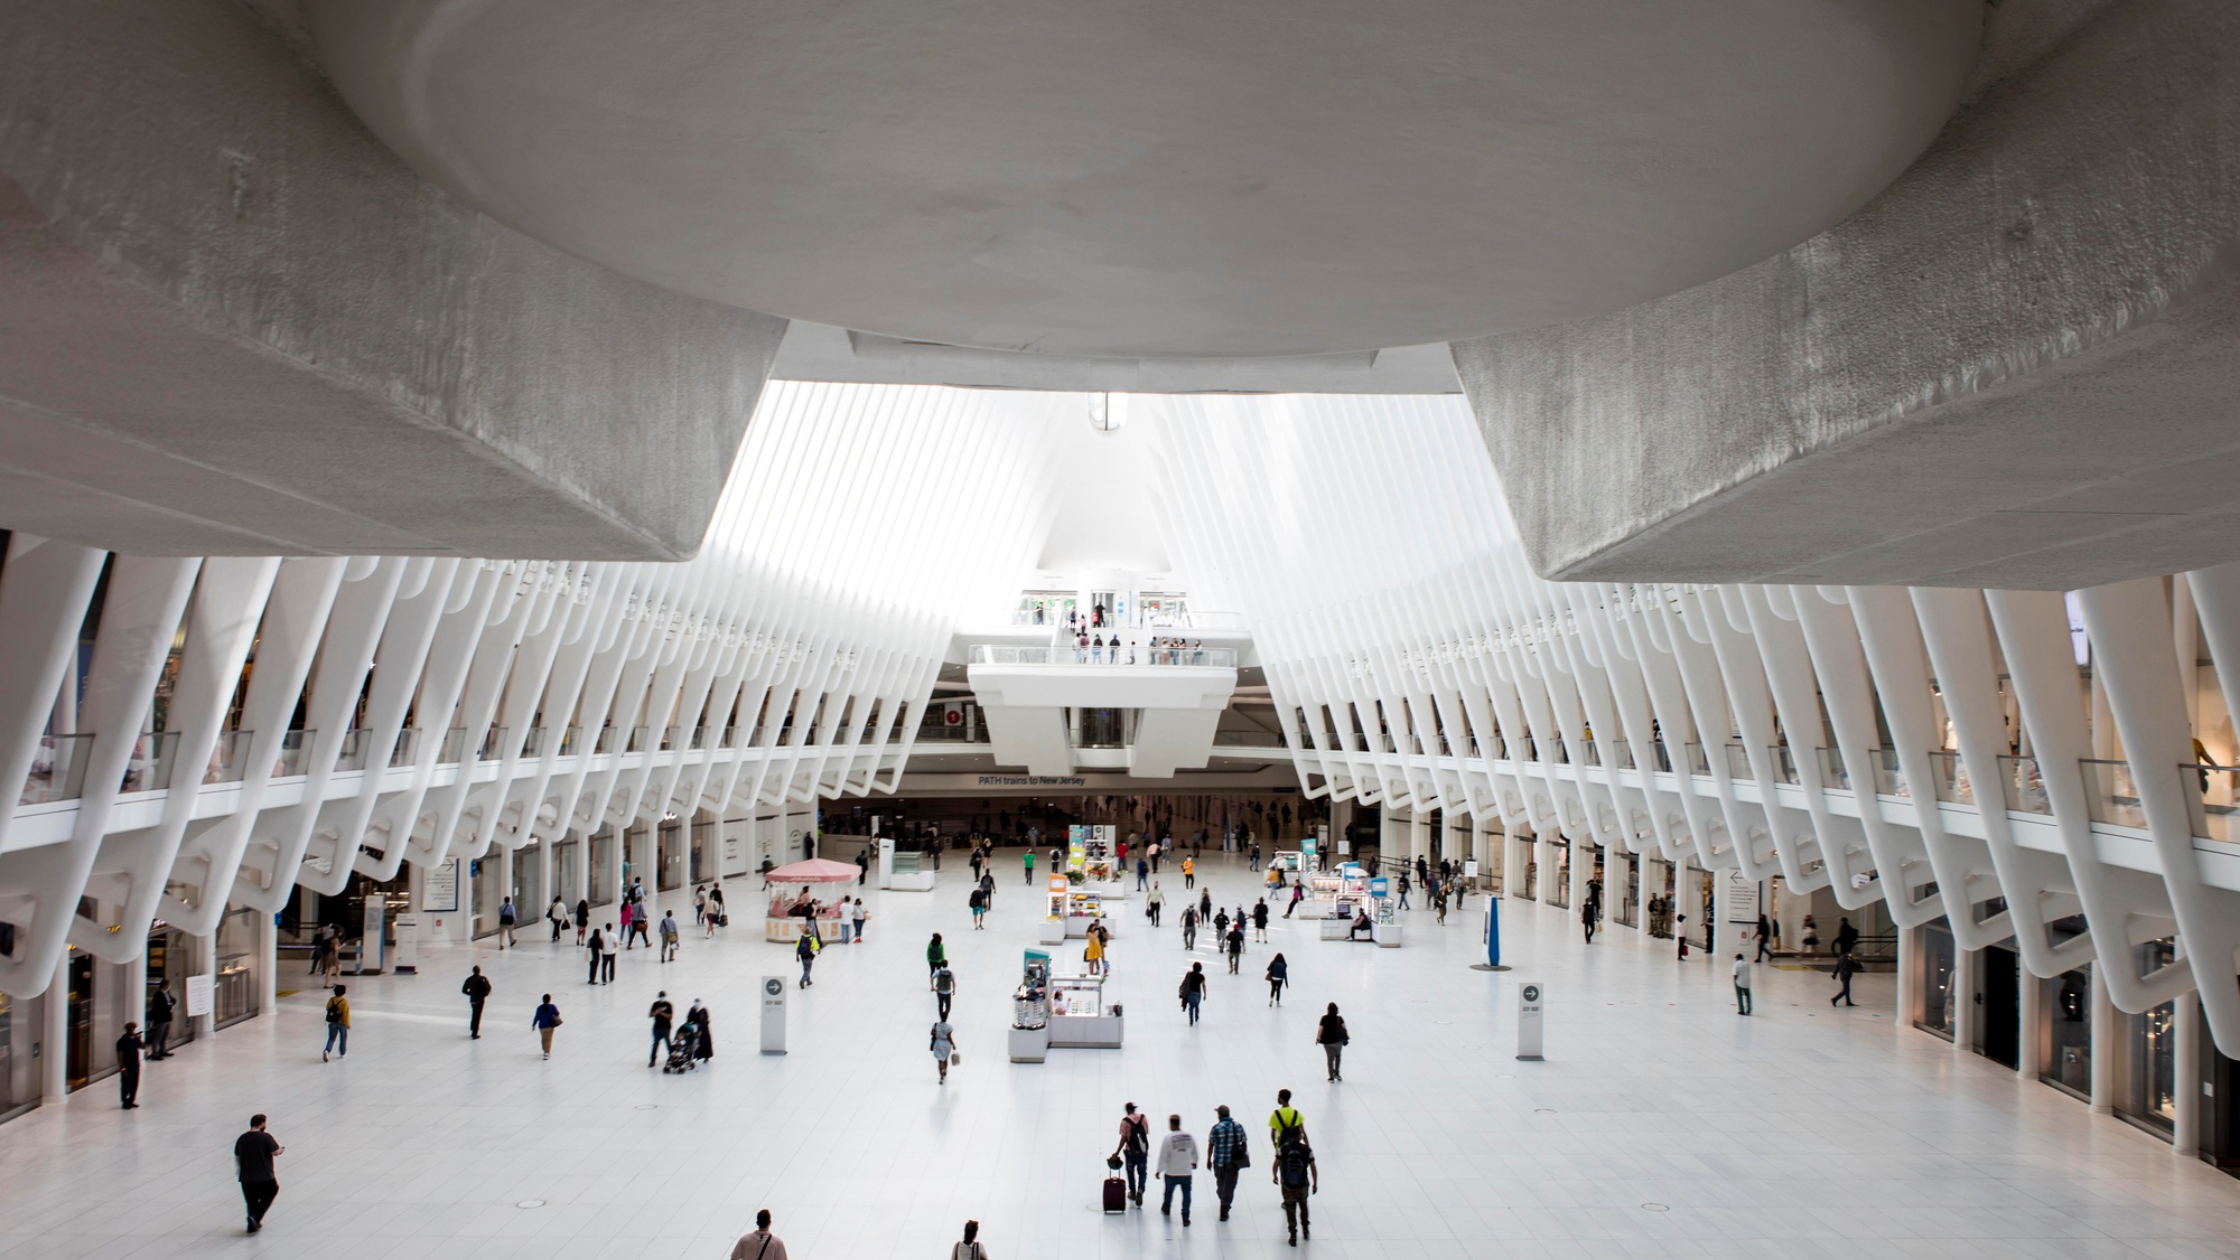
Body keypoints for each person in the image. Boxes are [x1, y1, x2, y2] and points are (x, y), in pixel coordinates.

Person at [235, 1114, 284, 1234]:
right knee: (272, 1190)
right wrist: (282, 1149)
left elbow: (237, 1155)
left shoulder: (242, 1138)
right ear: (261, 1123)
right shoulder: (265, 1137)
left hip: (246, 1176)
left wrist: (240, 1169)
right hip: (264, 1175)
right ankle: (255, 1217)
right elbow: (275, 1152)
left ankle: (251, 1225)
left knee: (251, 1200)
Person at [1274, 1125, 1319, 1246]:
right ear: (1299, 1136)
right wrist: (1315, 1183)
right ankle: (1305, 1229)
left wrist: (1275, 1176)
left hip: (1287, 1185)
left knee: (1290, 1209)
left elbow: (1276, 1163)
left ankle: (1293, 1235)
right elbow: (1313, 1167)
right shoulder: (1306, 1150)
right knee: (1303, 1206)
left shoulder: (1284, 1148)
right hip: (1302, 1183)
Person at [1207, 1104, 1248, 1220]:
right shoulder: (1238, 1126)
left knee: (1220, 1184)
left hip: (1219, 1162)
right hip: (1233, 1163)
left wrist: (1208, 1160)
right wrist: (1243, 1154)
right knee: (1229, 1186)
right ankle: (1225, 1204)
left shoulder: (1215, 1128)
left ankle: (1223, 1205)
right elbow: (1244, 1142)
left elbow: (1211, 1145)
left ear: (1219, 1115)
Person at [1158, 1112, 1200, 1225]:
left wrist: (1159, 1170)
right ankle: (1185, 1217)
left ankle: (1167, 1208)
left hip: (1171, 1172)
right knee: (1186, 1195)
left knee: (1168, 1192)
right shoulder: (1189, 1137)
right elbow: (1194, 1152)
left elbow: (1163, 1156)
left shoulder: (1168, 1138)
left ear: (1171, 1124)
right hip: (1186, 1172)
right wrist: (1194, 1162)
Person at [1112, 1103, 1152, 1206]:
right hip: (1143, 1151)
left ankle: (1133, 1192)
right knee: (1142, 1172)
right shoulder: (1143, 1118)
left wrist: (1117, 1152)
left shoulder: (1125, 1121)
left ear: (1127, 1110)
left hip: (1130, 1152)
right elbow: (1146, 1132)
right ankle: (1140, 1190)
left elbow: (1123, 1139)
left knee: (1130, 1171)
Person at [1316, 1003, 1349, 1081]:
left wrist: (1317, 1038)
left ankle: (1331, 1076)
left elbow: (1321, 1029)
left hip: (1327, 1042)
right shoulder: (1339, 1018)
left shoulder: (1324, 1018)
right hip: (1338, 1041)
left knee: (1330, 1059)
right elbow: (1344, 1028)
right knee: (1337, 1056)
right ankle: (1337, 1073)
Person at [116, 1021, 144, 1108]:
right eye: (134, 1029)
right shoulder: (122, 1040)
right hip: (127, 1065)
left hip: (135, 1064)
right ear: (130, 1029)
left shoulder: (135, 1039)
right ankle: (125, 1101)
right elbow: (119, 1054)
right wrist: (122, 1067)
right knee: (126, 1083)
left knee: (134, 1083)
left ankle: (131, 1100)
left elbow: (143, 1047)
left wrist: (139, 1038)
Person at [145, 982, 176, 1059]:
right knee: (158, 1035)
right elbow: (159, 1006)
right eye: (168, 985)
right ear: (165, 985)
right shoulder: (158, 995)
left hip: (167, 1017)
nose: (169, 986)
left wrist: (170, 1004)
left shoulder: (167, 993)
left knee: (164, 1035)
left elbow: (173, 1000)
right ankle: (155, 1053)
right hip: (161, 1018)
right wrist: (168, 1006)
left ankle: (162, 1050)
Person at [529, 992, 562, 1058]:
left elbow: (537, 1017)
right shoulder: (552, 1007)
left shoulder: (539, 1008)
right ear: (549, 1000)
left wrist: (533, 1025)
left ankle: (544, 1049)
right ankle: (547, 1053)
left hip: (542, 1027)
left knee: (544, 1039)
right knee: (548, 1040)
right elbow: (557, 1013)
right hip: (550, 1026)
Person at [462, 965, 491, 1038]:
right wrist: (485, 994)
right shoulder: (482, 979)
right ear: (479, 971)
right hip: (480, 1000)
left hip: (473, 1000)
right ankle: (474, 1033)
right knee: (477, 1016)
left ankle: (472, 1028)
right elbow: (488, 987)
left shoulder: (469, 979)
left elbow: (464, 990)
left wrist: (471, 994)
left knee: (474, 1014)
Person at [322, 984, 350, 1062]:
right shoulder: (345, 1001)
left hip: (332, 1022)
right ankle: (342, 1053)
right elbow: (345, 1013)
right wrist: (347, 1023)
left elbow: (328, 1008)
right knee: (343, 1038)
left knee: (331, 1038)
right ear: (344, 992)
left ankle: (327, 1050)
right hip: (341, 1023)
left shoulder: (331, 999)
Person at [648, 991, 675, 1066]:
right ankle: (652, 1060)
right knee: (655, 1043)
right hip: (657, 1027)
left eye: (663, 996)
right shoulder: (655, 1004)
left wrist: (661, 1013)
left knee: (668, 1042)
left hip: (666, 1027)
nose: (662, 998)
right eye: (661, 997)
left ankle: (672, 1057)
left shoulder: (668, 1005)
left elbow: (670, 1017)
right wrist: (656, 1012)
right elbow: (650, 1015)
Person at [1180, 961, 1206, 1025]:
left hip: (1190, 993)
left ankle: (1191, 1020)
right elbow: (1203, 985)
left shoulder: (1190, 974)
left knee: (1191, 1007)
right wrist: (1205, 994)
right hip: (1198, 994)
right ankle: (1196, 1017)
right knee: (1197, 1005)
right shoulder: (1201, 976)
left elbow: (1185, 982)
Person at [930, 1016, 956, 1083]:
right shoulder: (949, 1027)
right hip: (947, 1043)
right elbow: (949, 1037)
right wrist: (953, 1044)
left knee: (940, 1060)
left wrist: (935, 1032)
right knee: (945, 1058)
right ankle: (944, 1070)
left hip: (938, 1043)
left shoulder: (936, 1025)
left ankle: (941, 1075)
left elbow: (931, 1033)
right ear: (946, 1017)